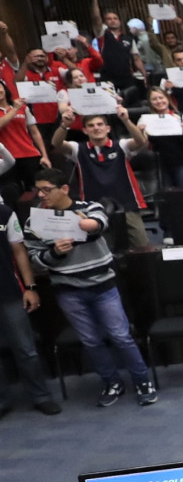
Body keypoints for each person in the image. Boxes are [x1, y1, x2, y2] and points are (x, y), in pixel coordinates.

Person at [13, 168, 155, 407]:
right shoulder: (35, 221)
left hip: (102, 285)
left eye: (47, 190)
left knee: (121, 336)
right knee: (90, 341)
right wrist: (55, 253)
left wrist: (85, 224)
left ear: (64, 189)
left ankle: (143, 381)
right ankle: (112, 382)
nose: (41, 195)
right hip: (68, 290)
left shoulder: (89, 207)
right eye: (38, 190)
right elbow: (35, 259)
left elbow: (100, 223)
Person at [1, 214, 59, 416]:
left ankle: (41, 396)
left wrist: (30, 287)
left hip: (8, 293)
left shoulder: (4, 213)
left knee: (26, 349)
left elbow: (19, 251)